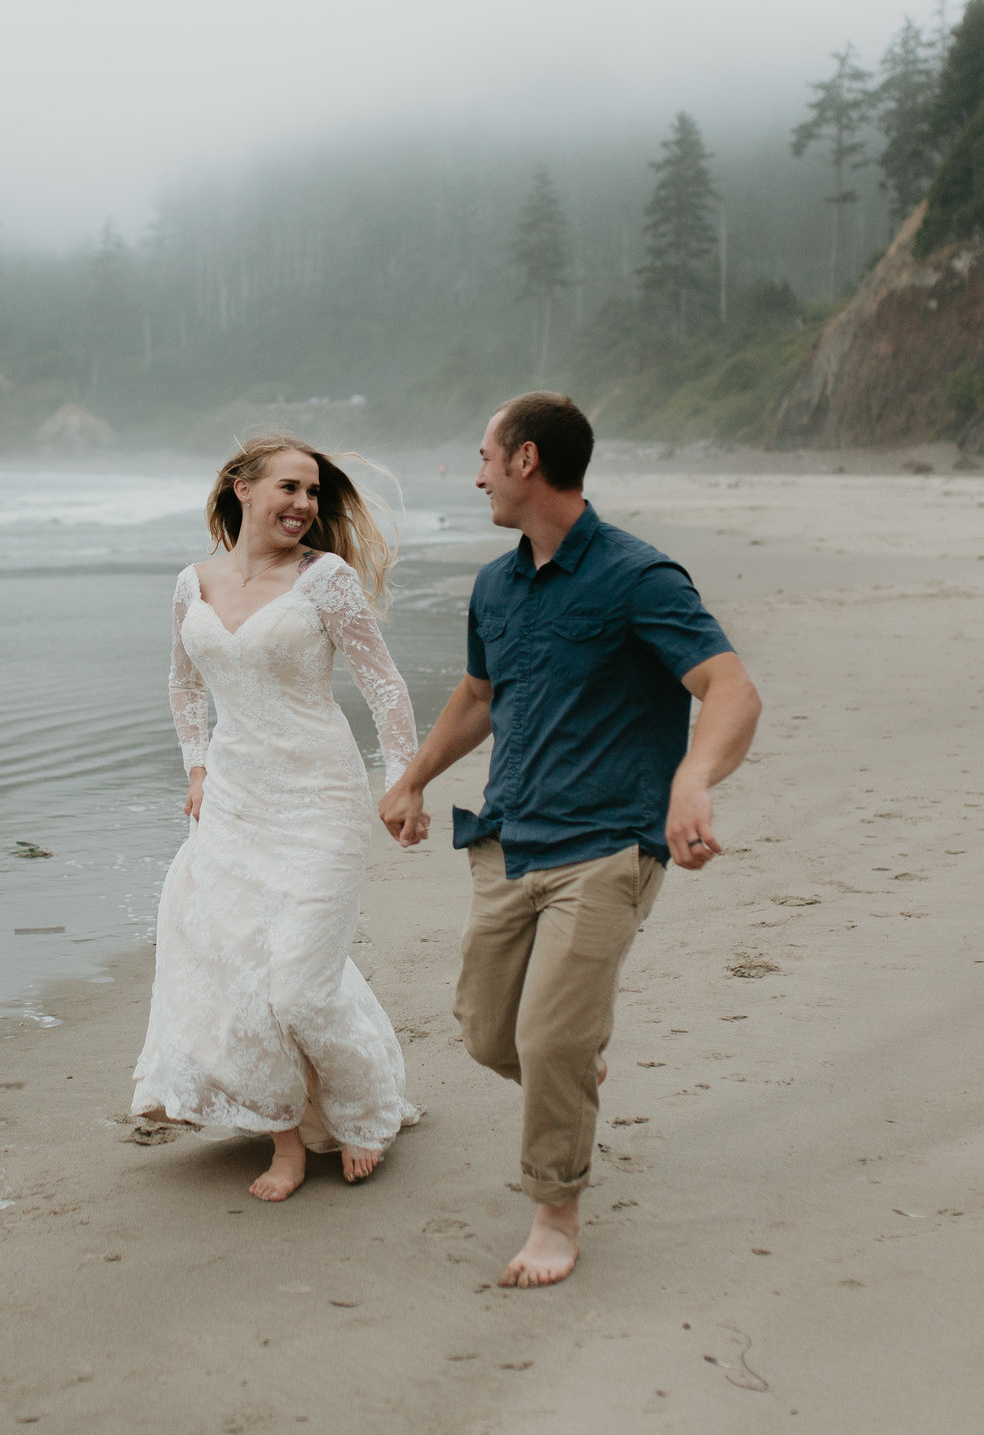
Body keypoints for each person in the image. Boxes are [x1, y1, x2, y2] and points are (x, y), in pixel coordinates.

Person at [379, 392, 761, 1287]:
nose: (474, 475)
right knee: (485, 1032)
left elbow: (732, 688)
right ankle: (570, 1053)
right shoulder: (493, 585)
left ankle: (555, 1212)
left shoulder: (638, 575)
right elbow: (478, 698)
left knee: (548, 1041)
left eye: (484, 456)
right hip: (511, 836)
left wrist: (693, 779)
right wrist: (411, 777)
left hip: (609, 844)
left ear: (526, 460)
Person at [131, 436, 421, 1201]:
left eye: (314, 493)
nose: (304, 505)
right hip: (232, 800)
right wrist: (195, 766)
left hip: (320, 798)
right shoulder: (191, 583)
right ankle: (285, 1136)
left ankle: (364, 1111)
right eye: (290, 488)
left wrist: (403, 782)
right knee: (238, 970)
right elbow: (183, 685)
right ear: (242, 488)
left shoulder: (324, 580)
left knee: (300, 982)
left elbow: (385, 687)